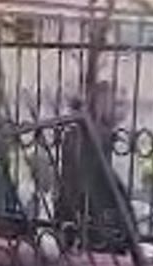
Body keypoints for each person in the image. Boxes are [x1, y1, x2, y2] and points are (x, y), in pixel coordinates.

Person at [57, 82, 129, 253]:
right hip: (93, 213)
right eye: (118, 104)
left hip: (85, 212)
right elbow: (81, 178)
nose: (125, 110)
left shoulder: (87, 134)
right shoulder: (94, 137)